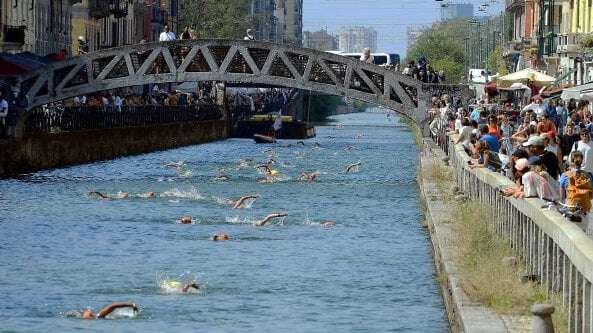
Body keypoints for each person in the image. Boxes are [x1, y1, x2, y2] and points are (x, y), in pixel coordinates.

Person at [69, 302, 138, 320]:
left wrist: (131, 305)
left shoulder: (99, 315)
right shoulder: (99, 316)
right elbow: (113, 306)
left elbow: (113, 305)